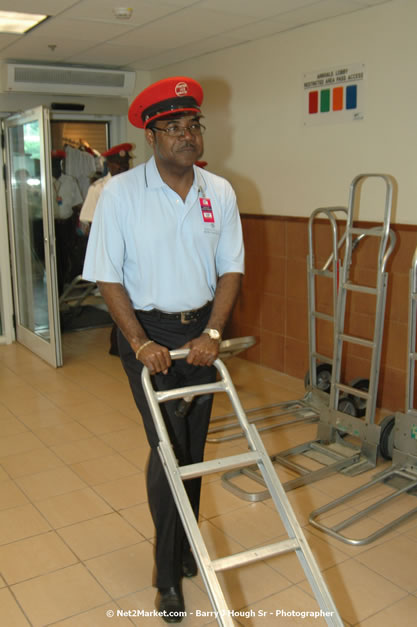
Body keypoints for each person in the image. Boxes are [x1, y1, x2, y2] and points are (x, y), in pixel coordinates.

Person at [83, 76, 244, 623]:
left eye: (192, 125)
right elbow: (106, 278)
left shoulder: (218, 191)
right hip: (148, 336)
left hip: (201, 334)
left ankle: (185, 545)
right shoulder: (121, 194)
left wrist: (215, 334)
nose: (186, 135)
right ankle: (167, 571)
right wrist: (140, 341)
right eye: (172, 127)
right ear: (152, 136)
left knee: (193, 448)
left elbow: (230, 270)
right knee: (166, 451)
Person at [79, 143, 133, 354]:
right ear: (109, 164)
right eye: (118, 163)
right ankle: (118, 344)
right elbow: (92, 223)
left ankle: (125, 343)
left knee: (132, 297)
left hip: (133, 250)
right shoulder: (98, 188)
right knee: (118, 298)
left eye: (125, 162)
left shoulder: (138, 184)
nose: (123, 167)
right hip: (111, 250)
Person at [51, 150, 83, 293]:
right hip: (50, 226)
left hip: (66, 225)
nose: (56, 166)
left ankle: (63, 287)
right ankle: (54, 289)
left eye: (58, 162)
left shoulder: (70, 181)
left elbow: (77, 205)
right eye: (53, 163)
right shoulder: (44, 182)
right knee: (52, 258)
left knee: (65, 258)